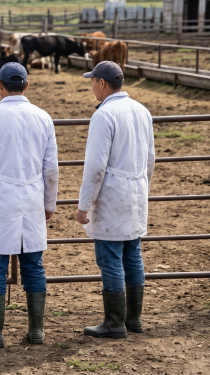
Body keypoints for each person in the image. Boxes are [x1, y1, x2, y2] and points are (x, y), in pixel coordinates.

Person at [0, 62, 59, 348]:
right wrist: (49, 204)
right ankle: (37, 330)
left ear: (0, 85)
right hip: (32, 198)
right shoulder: (43, 117)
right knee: (34, 263)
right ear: (26, 86)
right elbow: (51, 168)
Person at [75, 60, 154, 339]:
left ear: (101, 83)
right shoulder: (142, 111)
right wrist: (144, 189)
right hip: (136, 192)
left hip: (112, 195)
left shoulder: (104, 114)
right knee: (133, 254)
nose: (91, 86)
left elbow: (96, 165)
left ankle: (113, 322)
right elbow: (150, 159)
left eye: (92, 81)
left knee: (109, 258)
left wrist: (84, 204)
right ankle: (134, 319)